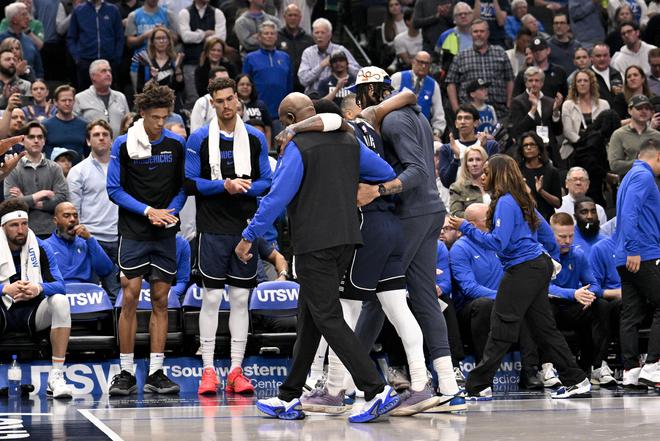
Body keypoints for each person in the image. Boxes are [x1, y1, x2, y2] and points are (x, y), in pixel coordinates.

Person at [237, 92, 401, 422]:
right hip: (347, 239)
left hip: (314, 243)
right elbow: (385, 172)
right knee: (310, 318)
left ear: (288, 120)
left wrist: (248, 236)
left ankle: (375, 389)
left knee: (327, 317)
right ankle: (289, 396)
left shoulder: (298, 146)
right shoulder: (350, 141)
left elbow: (276, 198)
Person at [353, 66, 462, 406]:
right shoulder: (415, 115)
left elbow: (416, 170)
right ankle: (448, 386)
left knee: (378, 295)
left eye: (360, 95)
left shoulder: (394, 121)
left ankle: (350, 380)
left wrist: (379, 190)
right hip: (430, 211)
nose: (358, 103)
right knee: (424, 297)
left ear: (372, 92)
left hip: (412, 213)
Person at [447, 154, 590, 400]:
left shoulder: (505, 202)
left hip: (523, 269)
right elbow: (547, 235)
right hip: (535, 266)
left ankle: (477, 385)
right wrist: (549, 259)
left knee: (501, 327)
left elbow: (498, 243)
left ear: (498, 175)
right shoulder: (522, 200)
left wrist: (466, 227)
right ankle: (577, 380)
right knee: (544, 329)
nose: (482, 176)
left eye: (487, 172)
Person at [184, 77, 272, 396]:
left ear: (238, 99)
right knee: (211, 298)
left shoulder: (255, 137)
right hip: (211, 228)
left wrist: (244, 186)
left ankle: (236, 370)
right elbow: (190, 183)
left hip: (244, 228)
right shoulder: (198, 138)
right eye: (219, 101)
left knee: (240, 299)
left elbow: (267, 181)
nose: (226, 105)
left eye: (230, 99)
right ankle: (208, 370)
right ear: (212, 103)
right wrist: (224, 185)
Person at [106, 82, 186, 396]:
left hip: (165, 231)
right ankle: (126, 372)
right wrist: (148, 211)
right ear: (142, 113)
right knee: (130, 297)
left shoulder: (176, 144)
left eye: (165, 117)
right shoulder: (123, 144)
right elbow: (114, 190)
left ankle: (156, 372)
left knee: (161, 300)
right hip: (134, 231)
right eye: (155, 117)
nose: (160, 123)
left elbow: (183, 188)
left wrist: (169, 212)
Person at [451, 203, 542, 389]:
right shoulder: (460, 248)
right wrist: (504, 297)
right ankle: (483, 376)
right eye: (488, 218)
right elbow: (469, 288)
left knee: (526, 304)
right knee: (484, 305)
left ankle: (530, 371)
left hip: (503, 305)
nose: (493, 221)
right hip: (470, 310)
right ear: (472, 225)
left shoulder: (501, 242)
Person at [0, 198, 73, 398]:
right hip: (3, 312)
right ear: (3, 227)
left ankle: (56, 376)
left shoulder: (40, 247)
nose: (21, 230)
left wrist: (38, 288)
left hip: (32, 314)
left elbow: (60, 286)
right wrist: (4, 289)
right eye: (14, 225)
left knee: (60, 301)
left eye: (24, 224)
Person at [547, 212, 616, 386]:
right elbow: (544, 287)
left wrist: (589, 295)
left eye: (571, 236)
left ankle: (597, 366)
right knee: (544, 308)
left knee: (601, 306)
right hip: (552, 305)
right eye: (562, 236)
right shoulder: (542, 255)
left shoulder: (577, 254)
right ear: (551, 234)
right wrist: (574, 293)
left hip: (574, 306)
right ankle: (546, 367)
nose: (567, 241)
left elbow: (594, 283)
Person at [613, 138, 660, 388]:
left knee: (631, 312)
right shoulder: (644, 176)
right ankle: (653, 365)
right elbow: (630, 211)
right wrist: (633, 248)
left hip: (626, 254)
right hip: (642, 253)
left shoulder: (629, 176)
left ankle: (631, 369)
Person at [67, 119, 119, 301]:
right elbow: (74, 211)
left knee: (118, 296)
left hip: (120, 238)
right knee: (91, 295)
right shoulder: (78, 171)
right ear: (88, 141)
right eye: (96, 135)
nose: (101, 138)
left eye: (105, 135)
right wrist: (83, 238)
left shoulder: (123, 168)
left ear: (112, 140)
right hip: (91, 239)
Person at [4, 121, 68, 238]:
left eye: (40, 137)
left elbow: (62, 199)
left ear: (44, 141)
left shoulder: (55, 168)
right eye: (31, 137)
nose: (36, 140)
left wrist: (26, 200)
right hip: (22, 232)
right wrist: (40, 194)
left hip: (52, 232)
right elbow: (10, 203)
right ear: (22, 141)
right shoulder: (13, 168)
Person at [446, 19, 514, 119]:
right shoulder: (461, 56)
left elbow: (510, 79)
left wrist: (509, 104)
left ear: (488, 33)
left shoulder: (500, 53)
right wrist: (456, 109)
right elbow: (450, 83)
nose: (479, 34)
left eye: (482, 31)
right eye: (475, 31)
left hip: (499, 111)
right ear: (471, 34)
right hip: (470, 114)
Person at [45, 201, 114, 284]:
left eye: (75, 216)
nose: (72, 219)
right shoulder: (45, 246)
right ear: (56, 221)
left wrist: (90, 239)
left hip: (85, 290)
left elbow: (105, 271)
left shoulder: (86, 243)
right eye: (66, 216)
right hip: (58, 290)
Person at [509, 67, 563, 165]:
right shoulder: (518, 102)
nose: (533, 84)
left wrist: (555, 112)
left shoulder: (550, 102)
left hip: (550, 150)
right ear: (526, 83)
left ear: (542, 83)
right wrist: (533, 109)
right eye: (530, 80)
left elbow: (558, 131)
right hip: (527, 152)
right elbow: (517, 130)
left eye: (537, 80)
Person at [178, 0, 227, 108]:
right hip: (191, 62)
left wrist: (197, 35)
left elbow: (221, 38)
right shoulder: (185, 13)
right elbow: (185, 37)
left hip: (214, 65)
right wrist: (205, 34)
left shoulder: (217, 13)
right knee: (193, 99)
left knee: (219, 96)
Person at [66, 0, 124, 90]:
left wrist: (116, 57)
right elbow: (71, 37)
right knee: (85, 93)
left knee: (109, 92)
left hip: (108, 61)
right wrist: (77, 58)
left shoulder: (113, 10)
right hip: (85, 61)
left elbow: (120, 36)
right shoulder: (78, 11)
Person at [438, 104, 499, 189]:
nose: (462, 121)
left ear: (476, 123)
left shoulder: (490, 145)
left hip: (484, 194)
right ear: (456, 123)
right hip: (457, 195)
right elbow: (446, 182)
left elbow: (494, 177)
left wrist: (483, 149)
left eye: (467, 118)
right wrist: (456, 158)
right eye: (459, 118)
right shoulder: (447, 149)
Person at [124, 0, 179, 91]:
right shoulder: (134, 15)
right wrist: (145, 36)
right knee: (141, 95)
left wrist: (163, 31)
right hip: (140, 63)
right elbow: (129, 43)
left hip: (164, 63)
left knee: (168, 94)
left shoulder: (168, 14)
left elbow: (176, 39)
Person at [242, 21, 293, 120]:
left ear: (276, 37)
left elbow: (289, 85)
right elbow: (244, 84)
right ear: (259, 37)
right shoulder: (250, 58)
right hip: (257, 113)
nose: (269, 36)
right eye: (266, 33)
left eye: (272, 33)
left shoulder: (285, 57)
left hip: (281, 113)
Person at [391, 51, 445, 139]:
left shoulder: (434, 85)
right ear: (413, 62)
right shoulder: (398, 77)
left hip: (421, 132)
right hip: (397, 127)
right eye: (420, 62)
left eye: (427, 64)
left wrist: (436, 133)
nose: (423, 66)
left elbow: (438, 114)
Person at [560, 69, 610, 165]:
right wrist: (585, 145)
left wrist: (593, 145)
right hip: (575, 149)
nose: (582, 83)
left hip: (598, 150)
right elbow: (567, 132)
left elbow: (606, 130)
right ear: (575, 85)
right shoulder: (568, 104)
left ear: (591, 84)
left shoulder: (604, 104)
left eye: (585, 81)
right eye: (579, 81)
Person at [298, 18, 360, 95]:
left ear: (330, 35)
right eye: (316, 33)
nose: (319, 36)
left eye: (322, 33)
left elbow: (359, 74)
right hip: (314, 96)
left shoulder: (340, 50)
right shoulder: (308, 53)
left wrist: (342, 64)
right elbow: (303, 81)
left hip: (337, 94)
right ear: (312, 35)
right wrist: (321, 66)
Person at [73, 59, 129, 139]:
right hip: (92, 145)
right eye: (103, 71)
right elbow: (75, 127)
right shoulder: (80, 98)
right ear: (93, 76)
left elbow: (128, 123)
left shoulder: (120, 97)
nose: (108, 74)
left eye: (109, 71)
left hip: (119, 145)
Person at [608, 95, 660, 180]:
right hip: (630, 183)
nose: (643, 111)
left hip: (654, 184)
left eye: (647, 108)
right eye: (639, 108)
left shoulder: (657, 135)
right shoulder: (619, 134)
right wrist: (641, 163)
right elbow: (614, 165)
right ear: (629, 110)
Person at [135, 28, 184, 111]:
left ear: (169, 41)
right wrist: (154, 79)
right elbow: (140, 89)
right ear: (152, 42)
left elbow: (181, 87)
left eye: (164, 38)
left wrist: (177, 69)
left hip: (172, 104)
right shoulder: (146, 62)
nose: (161, 41)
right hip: (151, 104)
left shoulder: (175, 60)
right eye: (158, 38)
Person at [516, 131, 562, 221]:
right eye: (525, 145)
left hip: (546, 219)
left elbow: (558, 203)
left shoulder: (552, 171)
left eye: (532, 144)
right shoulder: (517, 171)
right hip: (524, 218)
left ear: (539, 148)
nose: (528, 148)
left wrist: (541, 191)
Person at [276, 4, 313, 93]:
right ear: (284, 17)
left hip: (303, 84)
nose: (293, 18)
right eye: (290, 15)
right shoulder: (277, 37)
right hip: (283, 81)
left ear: (300, 18)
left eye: (295, 15)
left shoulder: (309, 39)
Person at [43, 85, 88, 159]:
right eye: (63, 100)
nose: (67, 103)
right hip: (53, 166)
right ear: (55, 102)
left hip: (78, 166)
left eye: (70, 100)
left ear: (74, 101)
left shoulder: (84, 125)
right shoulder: (46, 126)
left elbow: (88, 153)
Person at [0, 3, 43, 79]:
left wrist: (39, 81)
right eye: (24, 14)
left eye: (28, 14)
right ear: (14, 20)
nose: (28, 18)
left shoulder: (30, 40)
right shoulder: (1, 40)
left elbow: (39, 70)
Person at [449, 145, 489, 217]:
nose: (474, 164)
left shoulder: (494, 183)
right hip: (471, 224)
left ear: (485, 162)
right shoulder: (457, 187)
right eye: (470, 160)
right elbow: (455, 214)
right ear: (466, 165)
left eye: (478, 159)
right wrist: (478, 217)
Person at [435, 2, 473, 75]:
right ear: (454, 19)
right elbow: (435, 59)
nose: (463, 16)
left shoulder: (479, 33)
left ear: (471, 16)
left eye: (466, 13)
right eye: (459, 14)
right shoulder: (445, 36)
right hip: (451, 75)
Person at [235, 73, 273, 146]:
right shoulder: (234, 105)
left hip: (259, 142)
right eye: (242, 84)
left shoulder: (260, 105)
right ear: (236, 86)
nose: (245, 87)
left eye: (248, 84)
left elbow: (267, 128)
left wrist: (267, 147)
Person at [191, 66, 229, 132]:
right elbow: (195, 131)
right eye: (220, 80)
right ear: (211, 82)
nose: (225, 84)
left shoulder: (235, 101)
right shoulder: (202, 103)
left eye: (227, 80)